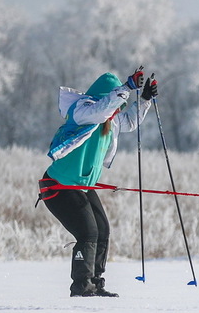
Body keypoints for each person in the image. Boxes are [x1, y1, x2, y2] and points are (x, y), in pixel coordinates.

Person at [38, 68, 159, 297]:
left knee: (102, 230)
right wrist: (126, 88)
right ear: (105, 96)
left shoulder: (110, 120)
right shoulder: (83, 110)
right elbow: (102, 110)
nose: (116, 111)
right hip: (58, 186)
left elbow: (130, 122)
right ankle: (81, 286)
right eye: (114, 103)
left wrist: (144, 99)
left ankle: (95, 281)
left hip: (82, 186)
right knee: (88, 233)